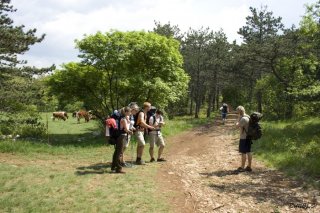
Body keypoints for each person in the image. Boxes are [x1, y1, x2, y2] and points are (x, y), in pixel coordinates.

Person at [111, 107, 133, 173]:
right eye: (129, 112)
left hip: (118, 136)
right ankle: (118, 168)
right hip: (122, 136)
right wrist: (130, 131)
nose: (130, 113)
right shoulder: (123, 119)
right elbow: (126, 129)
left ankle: (114, 166)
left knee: (116, 151)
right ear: (126, 113)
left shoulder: (121, 118)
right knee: (119, 152)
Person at [235, 106, 252, 172]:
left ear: (239, 112)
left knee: (243, 152)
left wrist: (238, 119)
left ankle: (242, 167)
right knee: (248, 151)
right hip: (249, 136)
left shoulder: (243, 119)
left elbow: (237, 126)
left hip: (244, 137)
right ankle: (249, 166)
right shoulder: (248, 117)